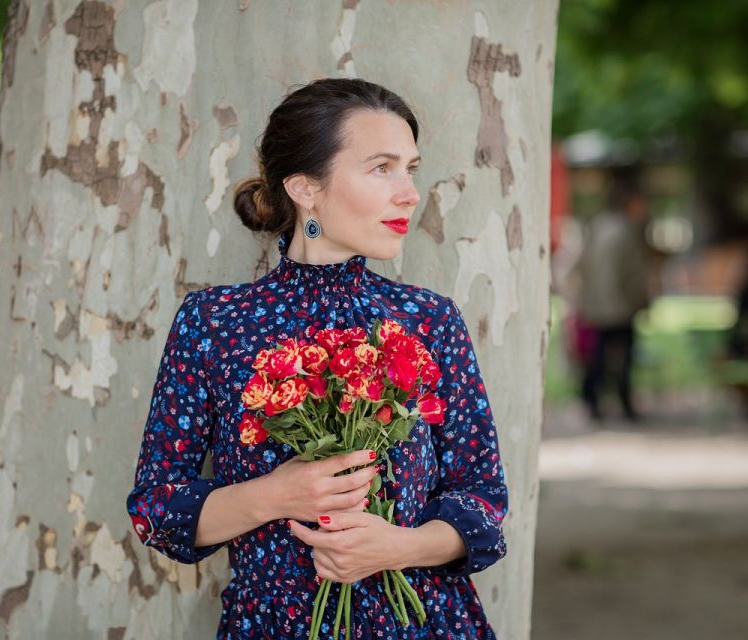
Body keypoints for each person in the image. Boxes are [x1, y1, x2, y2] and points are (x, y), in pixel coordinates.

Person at [126, 78, 508, 639]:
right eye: (382, 168)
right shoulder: (214, 323)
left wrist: (396, 548)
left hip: (425, 623)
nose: (408, 193)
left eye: (411, 169)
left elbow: (483, 501)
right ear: (306, 187)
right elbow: (156, 509)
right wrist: (276, 495)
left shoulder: (429, 320)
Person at [576, 168, 652, 422]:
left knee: (598, 356)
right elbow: (632, 274)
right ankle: (623, 403)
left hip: (596, 304)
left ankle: (592, 400)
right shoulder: (628, 231)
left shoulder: (597, 226)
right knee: (623, 357)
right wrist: (641, 301)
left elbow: (582, 265)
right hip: (620, 305)